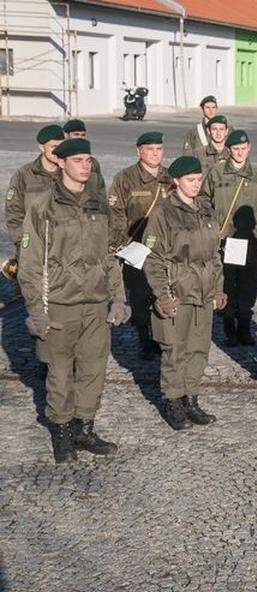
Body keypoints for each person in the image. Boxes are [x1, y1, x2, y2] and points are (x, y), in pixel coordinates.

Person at [17, 138, 128, 462]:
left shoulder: (97, 204)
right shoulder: (42, 206)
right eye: (78, 160)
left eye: (89, 160)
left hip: (94, 304)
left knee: (94, 370)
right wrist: (36, 309)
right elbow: (30, 263)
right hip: (59, 304)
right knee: (60, 373)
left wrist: (118, 297)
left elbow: (110, 257)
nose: (85, 165)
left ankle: (85, 427)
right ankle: (63, 433)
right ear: (62, 162)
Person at [143, 156, 226, 431]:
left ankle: (192, 399)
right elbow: (153, 259)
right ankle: (173, 402)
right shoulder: (163, 213)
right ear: (176, 181)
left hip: (203, 292)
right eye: (190, 180)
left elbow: (215, 255)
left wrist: (218, 288)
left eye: (199, 179)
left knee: (199, 348)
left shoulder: (205, 209)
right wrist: (163, 296)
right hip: (178, 290)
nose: (196, 184)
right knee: (174, 350)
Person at [199, 129, 257, 347]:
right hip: (226, 239)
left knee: (248, 285)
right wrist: (212, 224)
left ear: (249, 148)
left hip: (249, 239)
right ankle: (230, 330)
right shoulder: (217, 172)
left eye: (243, 148)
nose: (239, 152)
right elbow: (203, 199)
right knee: (227, 283)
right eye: (236, 149)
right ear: (229, 150)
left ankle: (245, 329)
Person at [108, 131, 171, 360]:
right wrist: (118, 242)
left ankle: (163, 337)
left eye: (159, 149)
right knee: (140, 295)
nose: (156, 154)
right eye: (150, 149)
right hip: (136, 248)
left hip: (163, 250)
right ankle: (145, 338)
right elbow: (115, 213)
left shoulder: (169, 177)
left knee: (162, 291)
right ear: (139, 151)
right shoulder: (125, 178)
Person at [7, 125, 67, 245]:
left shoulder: (70, 173)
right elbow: (14, 214)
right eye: (53, 146)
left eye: (61, 146)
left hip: (65, 249)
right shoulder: (23, 175)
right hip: (33, 248)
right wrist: (23, 244)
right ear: (41, 147)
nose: (58, 151)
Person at [62, 119, 105, 189]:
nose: (80, 138)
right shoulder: (58, 160)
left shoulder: (93, 163)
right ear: (66, 135)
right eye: (76, 134)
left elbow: (99, 187)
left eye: (83, 135)